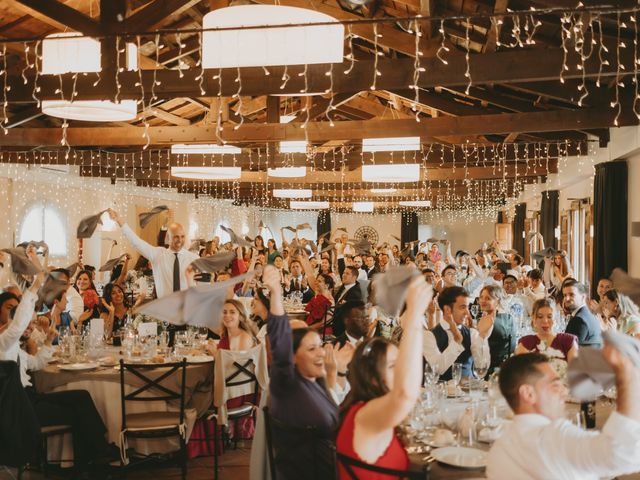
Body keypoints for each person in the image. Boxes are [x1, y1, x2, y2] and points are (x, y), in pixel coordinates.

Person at [0, 256, 114, 467]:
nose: (14, 314)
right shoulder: (3, 343)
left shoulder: (11, 344)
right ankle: (94, 459)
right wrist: (36, 284)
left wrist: (49, 342)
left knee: (82, 396)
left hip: (30, 398)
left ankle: (98, 453)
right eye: (9, 309)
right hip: (19, 409)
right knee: (79, 413)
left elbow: (35, 365)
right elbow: (17, 327)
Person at [487, 347, 640, 480]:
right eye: (555, 385)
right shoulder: (554, 437)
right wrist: (627, 377)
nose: (565, 391)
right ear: (528, 394)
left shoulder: (497, 451)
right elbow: (627, 453)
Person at [336, 277, 432, 478]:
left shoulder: (367, 407)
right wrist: (413, 315)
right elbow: (405, 394)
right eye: (392, 366)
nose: (401, 370)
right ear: (372, 377)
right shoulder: (364, 414)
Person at [263, 264, 339, 479]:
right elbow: (279, 339)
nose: (320, 354)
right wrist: (276, 292)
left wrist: (331, 375)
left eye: (320, 347)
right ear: (292, 356)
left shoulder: (315, 381)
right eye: (312, 349)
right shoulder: (287, 385)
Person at [108, 209, 198, 298]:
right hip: (164, 308)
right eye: (176, 237)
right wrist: (119, 220)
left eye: (182, 236)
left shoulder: (194, 259)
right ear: (168, 237)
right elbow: (136, 243)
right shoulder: (158, 254)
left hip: (188, 308)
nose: (180, 240)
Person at [423, 286, 492, 380]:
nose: (467, 313)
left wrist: (483, 338)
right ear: (447, 309)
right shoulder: (429, 336)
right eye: (462, 307)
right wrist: (456, 341)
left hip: (468, 392)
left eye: (467, 307)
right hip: (441, 393)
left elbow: (482, 367)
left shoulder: (472, 333)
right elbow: (438, 369)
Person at [480, 285, 518, 374]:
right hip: (506, 368)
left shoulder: (488, 321)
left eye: (488, 298)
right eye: (481, 297)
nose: (482, 301)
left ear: (497, 301)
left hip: (488, 371)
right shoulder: (509, 318)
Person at [563, 279, 602, 348]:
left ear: (583, 297)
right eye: (565, 295)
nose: (567, 298)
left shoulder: (579, 320)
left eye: (571, 294)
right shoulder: (588, 314)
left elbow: (569, 349)